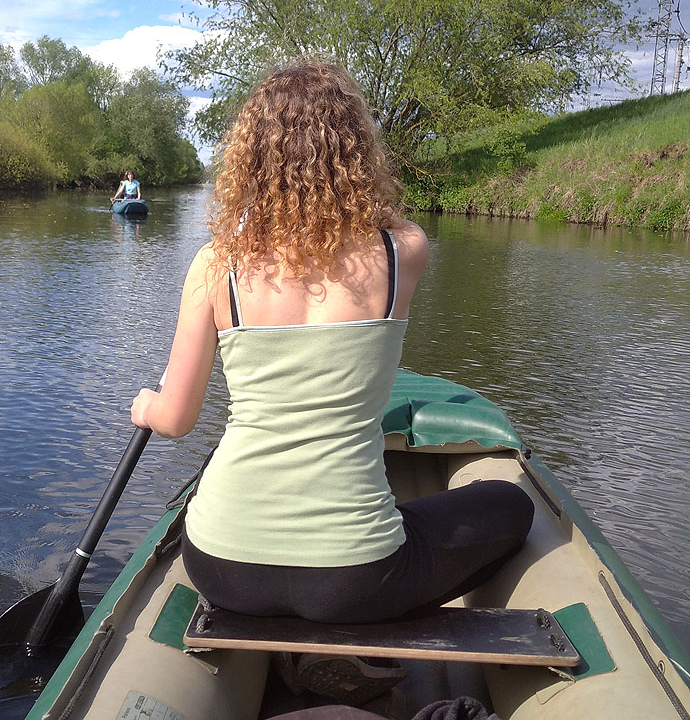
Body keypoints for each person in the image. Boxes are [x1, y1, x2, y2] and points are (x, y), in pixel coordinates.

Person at [130, 59, 534, 624]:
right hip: (353, 580)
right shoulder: (403, 252)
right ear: (358, 155)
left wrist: (145, 404)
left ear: (250, 163)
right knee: (510, 505)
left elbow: (175, 419)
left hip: (222, 565)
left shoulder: (214, 266)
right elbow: (380, 214)